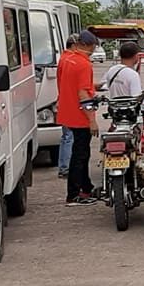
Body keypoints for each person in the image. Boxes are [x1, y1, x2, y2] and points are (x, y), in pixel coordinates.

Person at [58, 30, 101, 205]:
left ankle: (86, 187)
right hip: (79, 115)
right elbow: (83, 94)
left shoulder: (67, 59)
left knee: (81, 151)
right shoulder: (83, 64)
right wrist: (92, 120)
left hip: (68, 112)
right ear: (87, 45)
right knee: (80, 154)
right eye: (92, 46)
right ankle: (74, 194)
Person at [55, 34, 83, 178]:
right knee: (69, 136)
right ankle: (65, 168)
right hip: (70, 103)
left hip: (64, 101)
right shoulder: (69, 60)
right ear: (73, 45)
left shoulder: (64, 59)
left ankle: (65, 166)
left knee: (67, 136)